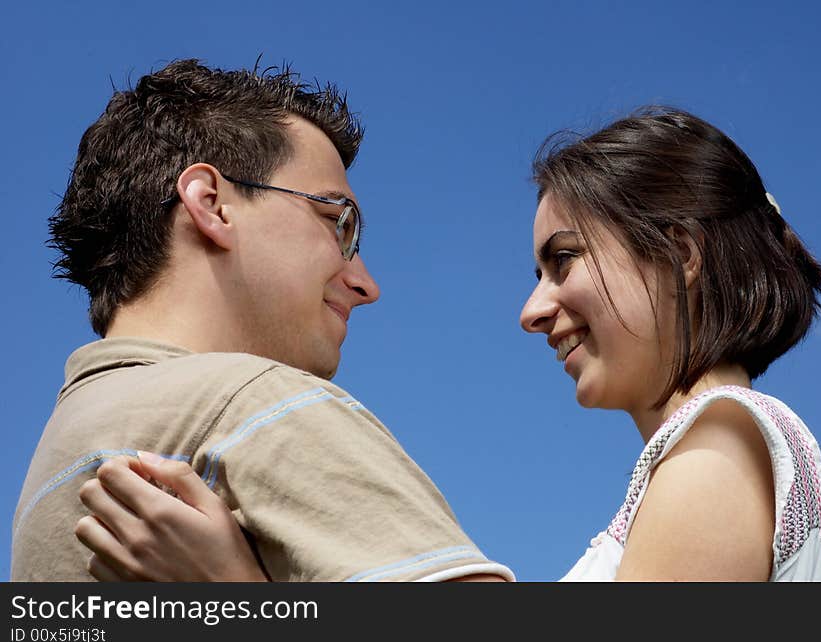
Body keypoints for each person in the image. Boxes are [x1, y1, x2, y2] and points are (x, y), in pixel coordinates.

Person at [75, 107, 821, 581]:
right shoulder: (714, 453)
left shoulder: (718, 445)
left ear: (681, 254)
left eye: (563, 260)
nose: (533, 310)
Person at [11, 59, 513, 582]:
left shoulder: (53, 471)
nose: (366, 283)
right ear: (211, 205)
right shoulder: (254, 405)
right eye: (338, 222)